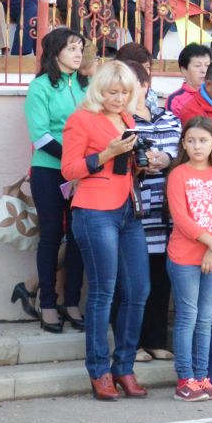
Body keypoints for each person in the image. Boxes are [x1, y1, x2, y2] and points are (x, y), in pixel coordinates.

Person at [62, 59, 151, 401]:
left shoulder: (128, 118)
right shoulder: (81, 119)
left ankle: (124, 366)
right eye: (112, 91)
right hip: (94, 210)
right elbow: (69, 170)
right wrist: (106, 153)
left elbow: (123, 168)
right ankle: (99, 371)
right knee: (103, 292)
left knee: (138, 290)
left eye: (125, 91)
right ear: (99, 90)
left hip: (127, 208)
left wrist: (143, 162)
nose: (119, 97)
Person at [20, 28, 88, 333]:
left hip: (82, 172)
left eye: (81, 49)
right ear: (56, 51)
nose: (78, 54)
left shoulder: (87, 86)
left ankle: (71, 301)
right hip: (50, 169)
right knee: (50, 235)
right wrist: (72, 159)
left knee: (78, 237)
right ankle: (47, 301)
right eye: (72, 48)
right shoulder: (41, 87)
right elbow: (41, 134)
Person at [166, 115, 212, 401]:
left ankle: (202, 376)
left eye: (203, 141)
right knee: (188, 316)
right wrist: (211, 243)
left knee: (205, 318)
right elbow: (181, 217)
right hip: (184, 256)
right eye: (191, 140)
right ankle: (185, 379)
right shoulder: (179, 174)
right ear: (184, 143)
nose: (197, 146)